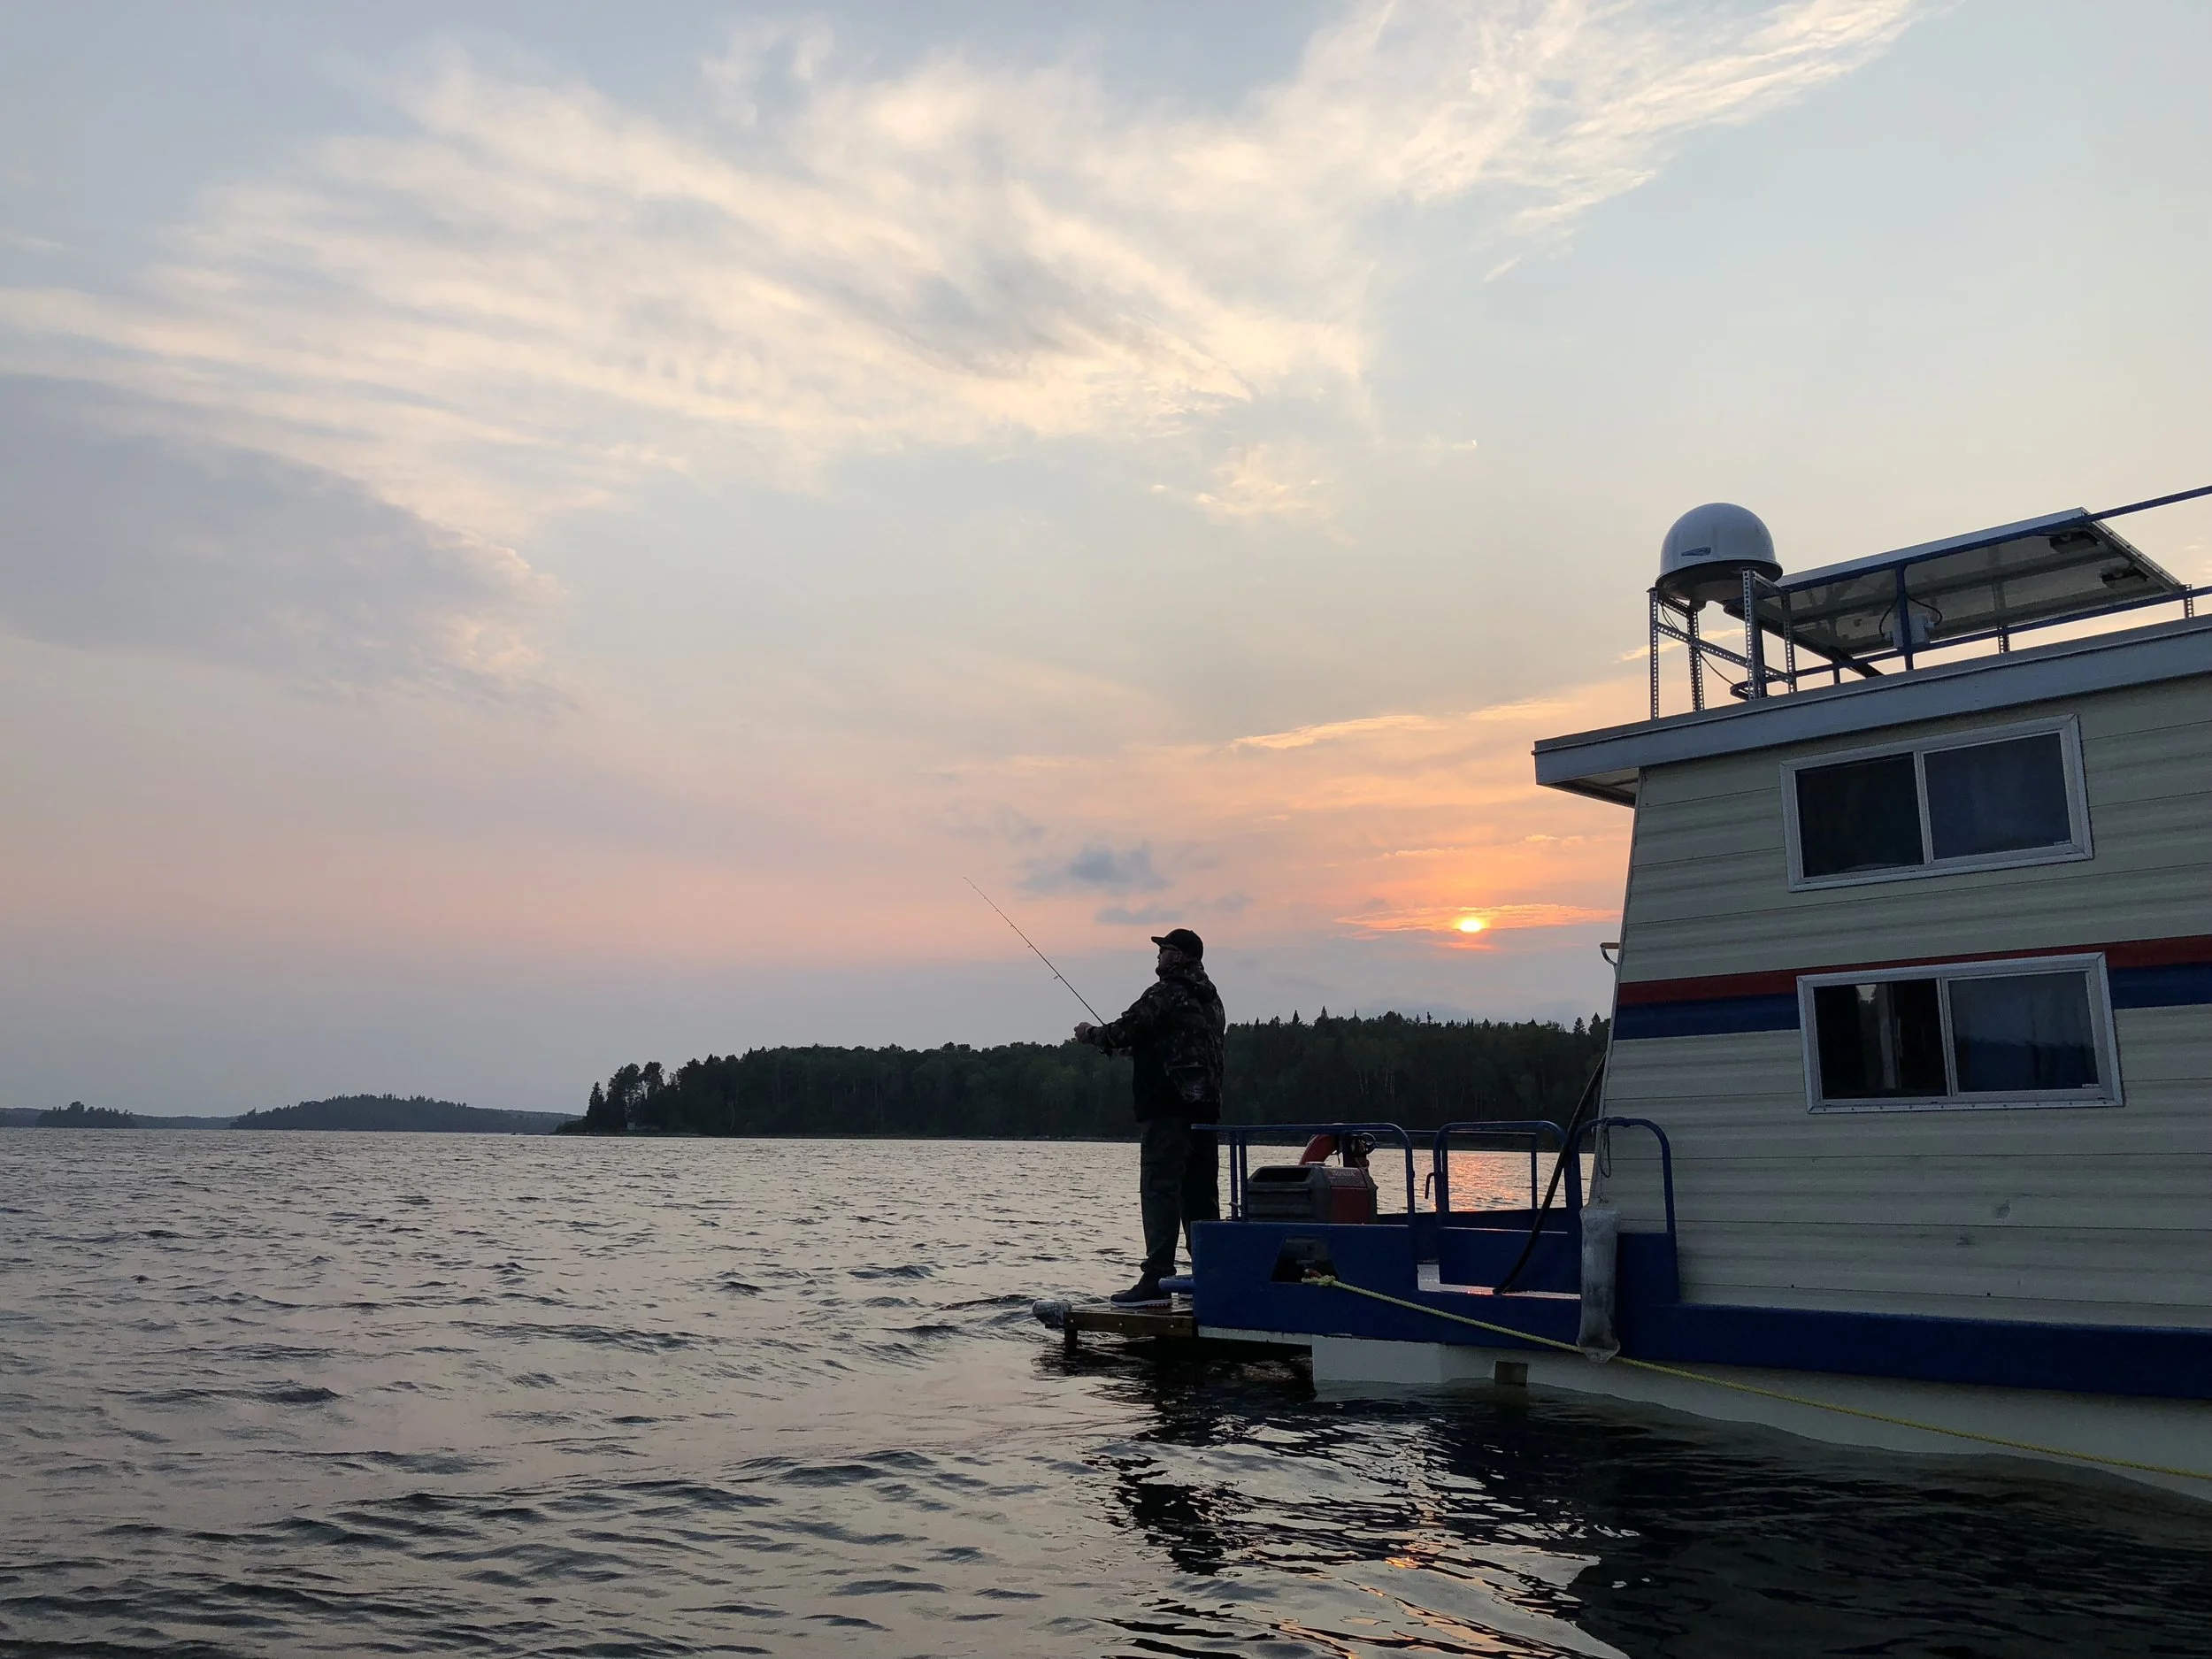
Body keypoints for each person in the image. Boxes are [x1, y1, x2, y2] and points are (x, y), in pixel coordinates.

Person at [1074, 927, 1226, 1308]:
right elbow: (1173, 1042)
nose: (1157, 958)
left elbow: (1123, 1029)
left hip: (1168, 1111)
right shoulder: (1212, 999)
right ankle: (1212, 1275)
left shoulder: (1165, 993)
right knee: (1201, 1196)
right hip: (1207, 1113)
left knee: (1160, 1190)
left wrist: (1090, 1034)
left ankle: (1157, 1278)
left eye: (1163, 951)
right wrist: (1137, 1050)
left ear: (1177, 956)